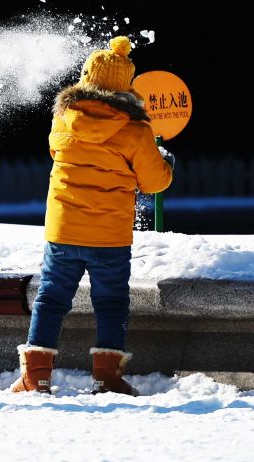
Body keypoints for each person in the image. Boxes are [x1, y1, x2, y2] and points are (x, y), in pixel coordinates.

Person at [11, 36, 173, 396]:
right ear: (126, 86)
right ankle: (107, 379)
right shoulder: (135, 131)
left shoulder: (63, 120)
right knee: (111, 303)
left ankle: (35, 377)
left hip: (64, 230)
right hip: (109, 237)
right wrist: (166, 163)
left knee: (51, 299)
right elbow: (153, 182)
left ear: (86, 78)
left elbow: (58, 153)